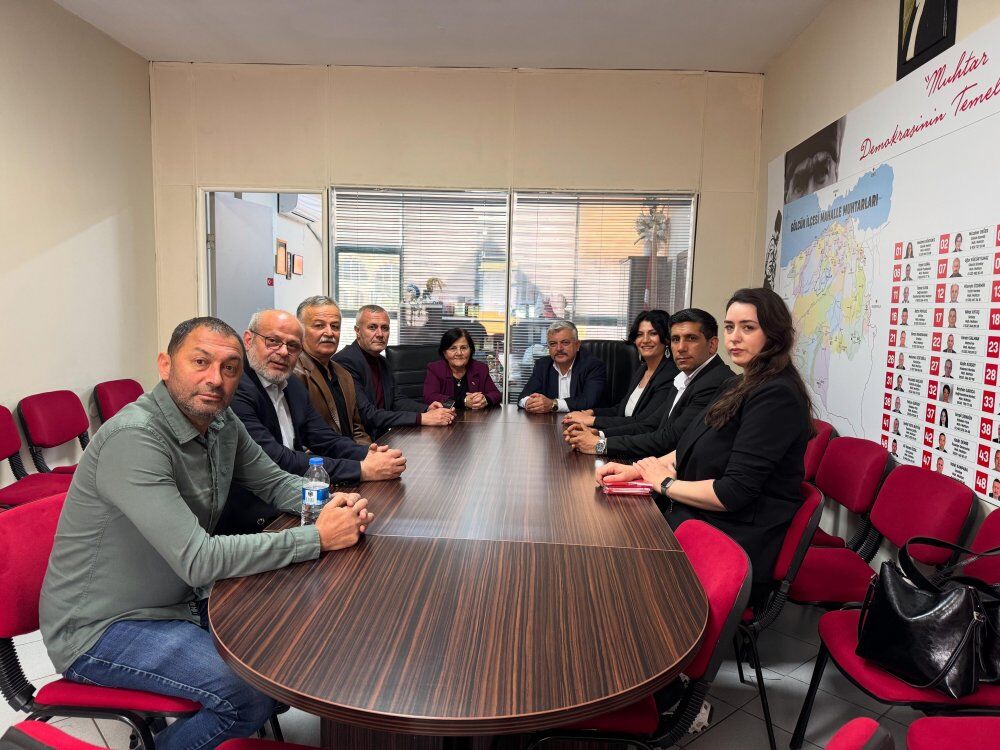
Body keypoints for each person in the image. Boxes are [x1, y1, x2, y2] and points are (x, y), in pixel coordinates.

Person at [39, 317, 373, 750]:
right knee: (249, 694)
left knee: (291, 650)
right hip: (102, 628)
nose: (215, 379)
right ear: (165, 365)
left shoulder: (220, 421)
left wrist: (332, 505)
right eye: (200, 362)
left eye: (230, 368)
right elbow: (199, 559)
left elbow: (274, 482)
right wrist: (317, 537)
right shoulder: (134, 438)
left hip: (179, 600)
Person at [597, 288, 813, 601]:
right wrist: (639, 471)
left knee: (618, 571)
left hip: (733, 539)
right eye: (730, 327)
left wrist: (665, 484)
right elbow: (691, 444)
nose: (734, 337)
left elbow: (732, 493)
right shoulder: (739, 383)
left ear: (775, 334)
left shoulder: (776, 395)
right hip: (701, 517)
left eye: (748, 328)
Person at [218, 310, 405, 534]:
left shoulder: (291, 384)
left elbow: (325, 439)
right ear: (248, 340)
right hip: (254, 519)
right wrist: (362, 469)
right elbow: (277, 459)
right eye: (273, 341)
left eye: (293, 346)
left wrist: (370, 455)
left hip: (295, 499)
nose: (283, 352)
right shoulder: (236, 388)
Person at [565, 309, 733, 456]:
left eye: (691, 338)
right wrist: (599, 434)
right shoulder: (684, 376)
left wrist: (600, 444)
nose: (681, 347)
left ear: (712, 345)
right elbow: (651, 424)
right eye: (675, 339)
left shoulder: (714, 381)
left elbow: (670, 439)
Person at [334, 304, 456, 437]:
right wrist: (421, 418)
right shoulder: (345, 362)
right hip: (361, 440)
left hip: (385, 436)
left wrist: (427, 409)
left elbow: (395, 400)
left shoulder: (382, 361)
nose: (380, 334)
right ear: (358, 331)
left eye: (385, 328)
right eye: (372, 327)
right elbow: (367, 414)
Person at [561, 310, 678, 434]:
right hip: (624, 435)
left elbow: (643, 422)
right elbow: (622, 410)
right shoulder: (643, 369)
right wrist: (591, 412)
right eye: (640, 334)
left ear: (666, 339)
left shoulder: (670, 375)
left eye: (653, 333)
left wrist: (593, 422)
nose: (645, 340)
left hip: (638, 440)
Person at [294, 296, 372, 446]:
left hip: (352, 454)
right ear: (300, 330)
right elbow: (302, 442)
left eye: (335, 326)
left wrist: (371, 453)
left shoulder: (344, 374)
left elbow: (357, 430)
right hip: (324, 458)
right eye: (319, 326)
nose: (330, 333)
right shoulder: (294, 374)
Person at [518, 320, 607, 413]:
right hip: (550, 420)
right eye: (553, 344)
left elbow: (589, 401)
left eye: (565, 342)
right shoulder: (542, 365)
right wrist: (529, 402)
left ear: (577, 345)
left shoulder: (593, 366)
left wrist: (553, 404)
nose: (559, 348)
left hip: (583, 420)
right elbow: (523, 397)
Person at [423, 327, 502, 409]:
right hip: (446, 416)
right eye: (453, 348)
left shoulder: (480, 368)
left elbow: (496, 394)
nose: (459, 353)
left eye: (463, 348)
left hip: (476, 416)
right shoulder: (436, 369)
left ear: (470, 350)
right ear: (444, 353)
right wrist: (463, 401)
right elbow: (430, 397)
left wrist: (485, 399)